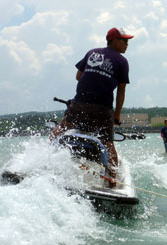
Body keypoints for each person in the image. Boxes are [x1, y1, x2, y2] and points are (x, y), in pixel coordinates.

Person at [51, 27, 133, 187]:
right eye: (125, 41)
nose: (127, 44)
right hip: (102, 110)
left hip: (79, 104)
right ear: (114, 41)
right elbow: (121, 90)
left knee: (60, 130)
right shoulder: (122, 61)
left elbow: (78, 76)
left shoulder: (92, 52)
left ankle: (43, 159)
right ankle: (112, 181)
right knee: (108, 144)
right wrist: (117, 115)